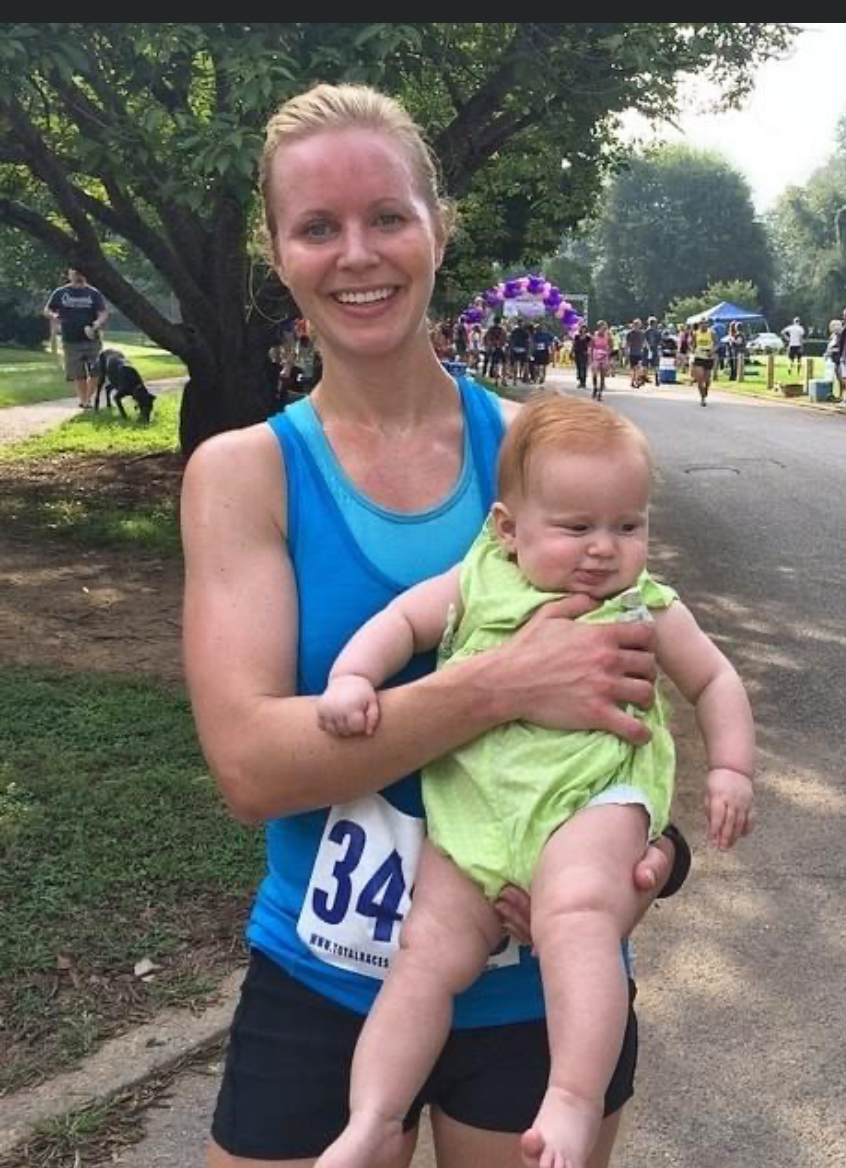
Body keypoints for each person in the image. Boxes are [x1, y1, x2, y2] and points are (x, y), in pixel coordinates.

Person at [181, 82, 684, 1168]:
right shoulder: (246, 473)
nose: (357, 253)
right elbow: (253, 768)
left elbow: (639, 687)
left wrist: (658, 857)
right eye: (318, 226)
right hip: (323, 971)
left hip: (532, 990)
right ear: (278, 252)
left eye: (388, 217)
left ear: (438, 229)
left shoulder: (546, 455)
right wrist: (502, 684)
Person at [315, 393, 755, 1168]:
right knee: (425, 952)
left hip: (591, 801)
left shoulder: (645, 603)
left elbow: (714, 679)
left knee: (579, 916)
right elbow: (403, 624)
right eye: (576, 527)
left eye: (628, 525)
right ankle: (372, 1118)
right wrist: (354, 678)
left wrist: (730, 768)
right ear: (506, 528)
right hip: (476, 815)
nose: (603, 549)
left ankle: (571, 1099)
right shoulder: (480, 580)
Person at [43, 266, 110, 408]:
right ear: (69, 274)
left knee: (96, 371)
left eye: (81, 273)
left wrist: (96, 324)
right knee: (78, 373)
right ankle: (85, 402)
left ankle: (87, 398)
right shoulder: (60, 292)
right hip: (71, 339)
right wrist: (54, 316)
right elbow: (47, 309)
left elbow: (103, 312)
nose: (78, 276)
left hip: (92, 339)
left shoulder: (93, 293)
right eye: (75, 273)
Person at [691, 320, 715, 406]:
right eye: (702, 324)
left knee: (707, 380)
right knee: (700, 379)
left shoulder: (711, 333)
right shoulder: (695, 334)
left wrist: (712, 351)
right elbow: (692, 345)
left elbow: (717, 344)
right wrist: (693, 350)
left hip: (708, 357)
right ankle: (702, 398)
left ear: (707, 325)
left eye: (705, 324)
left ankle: (706, 390)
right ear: (699, 325)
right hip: (699, 357)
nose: (704, 325)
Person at [589, 321, 612, 401]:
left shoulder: (607, 336)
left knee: (602, 375)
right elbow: (591, 346)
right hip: (596, 356)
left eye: (605, 328)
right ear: (599, 328)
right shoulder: (595, 336)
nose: (604, 329)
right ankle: (595, 387)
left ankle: (600, 393)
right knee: (595, 374)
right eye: (603, 327)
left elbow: (611, 345)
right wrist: (591, 358)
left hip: (604, 356)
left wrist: (608, 353)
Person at [624, 318, 647, 388]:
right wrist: (626, 352)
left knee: (638, 367)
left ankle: (636, 381)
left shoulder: (642, 334)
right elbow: (627, 344)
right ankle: (632, 381)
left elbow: (644, 343)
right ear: (633, 325)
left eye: (638, 325)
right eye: (636, 325)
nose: (637, 326)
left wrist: (647, 349)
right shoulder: (630, 334)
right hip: (632, 353)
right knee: (633, 369)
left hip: (639, 353)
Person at [571, 323, 591, 390]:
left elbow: (590, 345)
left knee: (584, 367)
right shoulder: (577, 336)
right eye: (582, 328)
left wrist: (589, 351)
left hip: (584, 353)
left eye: (584, 328)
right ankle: (580, 380)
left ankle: (584, 382)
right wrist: (572, 352)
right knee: (579, 367)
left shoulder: (588, 337)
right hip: (577, 353)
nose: (583, 330)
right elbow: (574, 344)